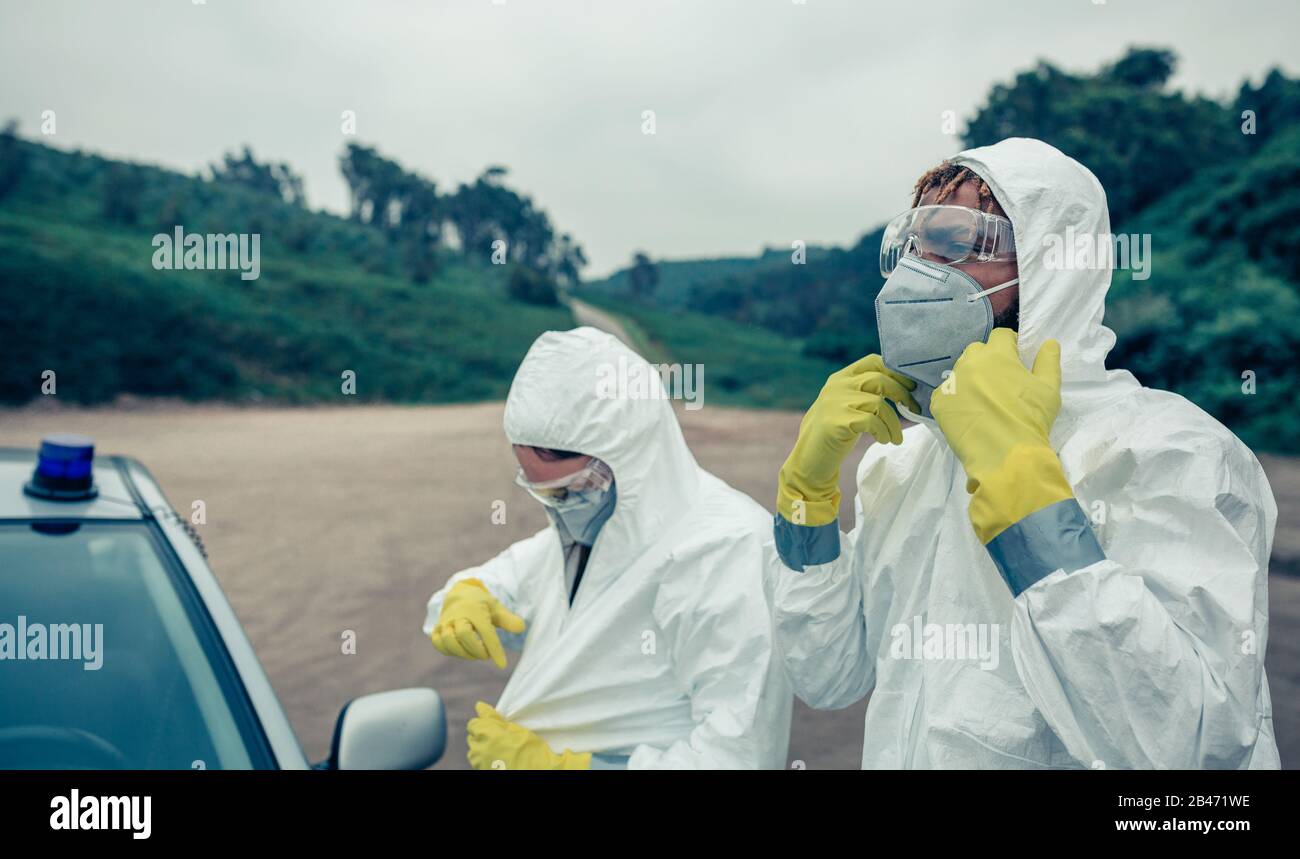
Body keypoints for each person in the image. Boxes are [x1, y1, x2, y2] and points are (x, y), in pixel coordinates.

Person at [767, 137, 1280, 769]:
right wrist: (806, 495)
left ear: (1049, 265)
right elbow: (829, 675)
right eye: (914, 244)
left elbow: (1196, 749)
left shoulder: (1166, 451)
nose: (917, 272)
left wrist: (1028, 501)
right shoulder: (903, 461)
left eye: (958, 242)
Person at [423, 326, 792, 769]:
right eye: (544, 495)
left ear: (630, 455)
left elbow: (739, 753)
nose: (561, 510)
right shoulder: (594, 535)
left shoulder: (726, 549)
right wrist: (467, 596)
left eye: (569, 490)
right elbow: (509, 581)